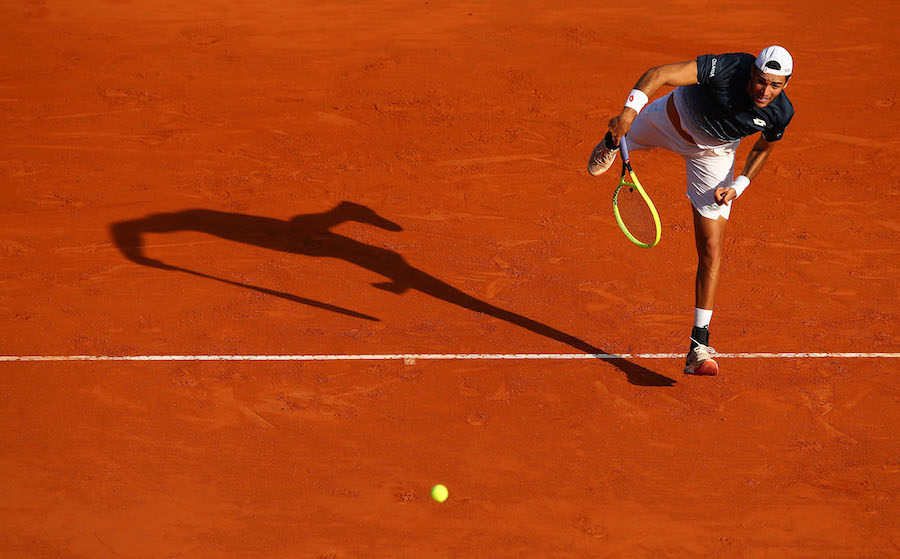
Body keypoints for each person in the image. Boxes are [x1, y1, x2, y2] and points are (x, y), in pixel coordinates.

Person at [587, 46, 794, 376]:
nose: (765, 91)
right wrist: (628, 114)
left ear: (785, 85)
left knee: (711, 248)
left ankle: (698, 345)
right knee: (622, 129)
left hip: (713, 158)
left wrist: (739, 185)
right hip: (666, 121)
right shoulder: (730, 67)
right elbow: (660, 73)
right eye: (760, 81)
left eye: (775, 86)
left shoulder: (780, 112)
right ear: (752, 71)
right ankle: (613, 141)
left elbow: (764, 147)